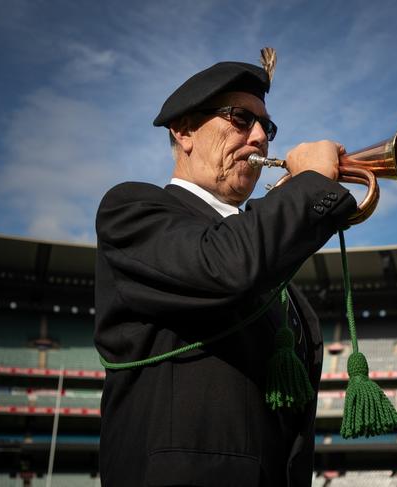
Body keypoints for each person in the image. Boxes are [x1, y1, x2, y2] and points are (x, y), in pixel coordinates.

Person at [94, 60, 357, 487]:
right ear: (184, 131)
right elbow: (226, 267)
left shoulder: (264, 253)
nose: (258, 137)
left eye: (266, 128)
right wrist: (309, 183)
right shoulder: (130, 209)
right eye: (240, 118)